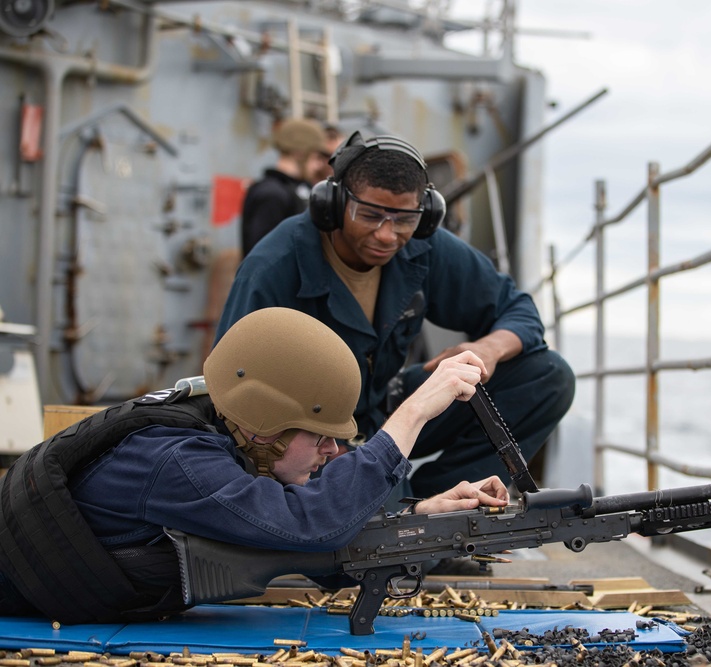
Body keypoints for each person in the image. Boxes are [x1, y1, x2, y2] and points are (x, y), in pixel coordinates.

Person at [0, 307, 507, 624]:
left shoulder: (219, 433)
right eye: (321, 437)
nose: (333, 452)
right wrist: (414, 412)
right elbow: (312, 525)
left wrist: (423, 518)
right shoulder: (179, 461)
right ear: (265, 422)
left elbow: (299, 527)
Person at [215, 131, 575, 511]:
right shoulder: (274, 267)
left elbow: (518, 309)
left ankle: (446, 504)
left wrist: (486, 348)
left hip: (382, 410)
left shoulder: (423, 246)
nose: (387, 235)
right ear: (334, 204)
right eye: (369, 215)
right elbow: (232, 391)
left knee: (546, 377)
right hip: (311, 437)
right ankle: (407, 512)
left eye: (404, 219)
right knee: (382, 543)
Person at [241, 118, 329, 256]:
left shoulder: (300, 188)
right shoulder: (271, 194)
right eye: (315, 157)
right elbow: (261, 256)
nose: (318, 165)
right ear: (299, 153)